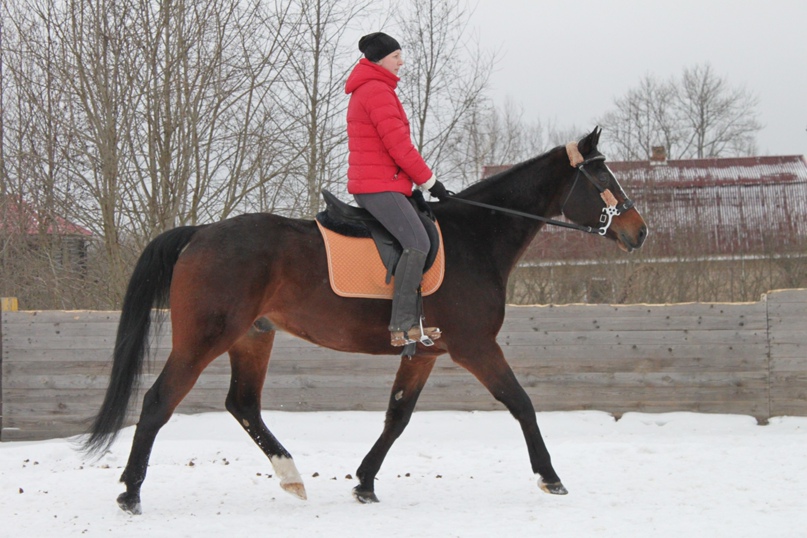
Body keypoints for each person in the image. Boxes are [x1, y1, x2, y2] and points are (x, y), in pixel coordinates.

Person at [345, 32, 449, 348]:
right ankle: (402, 325)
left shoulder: (376, 89)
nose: (401, 62)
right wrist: (432, 183)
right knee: (416, 240)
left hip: (384, 183)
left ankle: (415, 319)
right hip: (377, 186)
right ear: (379, 60)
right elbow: (400, 148)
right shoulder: (376, 91)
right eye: (396, 57)